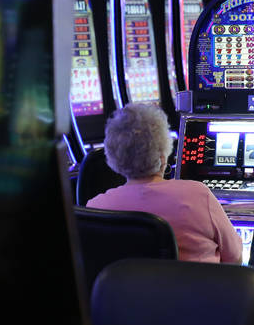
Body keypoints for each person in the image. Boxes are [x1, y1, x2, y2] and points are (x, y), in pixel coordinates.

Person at [87, 102, 242, 264]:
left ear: (112, 156)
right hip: (196, 288)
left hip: (128, 289)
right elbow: (235, 258)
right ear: (163, 155)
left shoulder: (95, 208)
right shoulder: (197, 195)